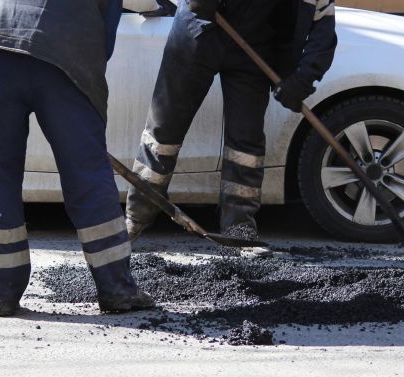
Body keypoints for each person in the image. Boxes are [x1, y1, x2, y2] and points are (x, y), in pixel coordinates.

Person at [0, 0, 154, 317]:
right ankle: (116, 288)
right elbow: (107, 23)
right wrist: (87, 66)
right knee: (86, 173)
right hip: (66, 46)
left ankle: (1, 292)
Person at [125, 0, 337, 253]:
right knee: (164, 131)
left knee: (246, 142)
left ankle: (239, 228)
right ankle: (135, 219)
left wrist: (303, 78)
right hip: (200, 27)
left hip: (256, 43)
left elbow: (322, 26)